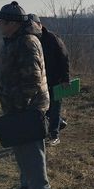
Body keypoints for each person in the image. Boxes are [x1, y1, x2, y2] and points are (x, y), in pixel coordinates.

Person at [0, 2, 51, 189]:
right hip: (17, 107)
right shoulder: (13, 40)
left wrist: (19, 104)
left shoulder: (26, 42)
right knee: (22, 148)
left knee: (32, 151)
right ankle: (27, 186)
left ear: (12, 23)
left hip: (27, 107)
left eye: (1, 21)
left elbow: (32, 79)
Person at [29, 14, 70, 146]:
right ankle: (58, 122)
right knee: (43, 108)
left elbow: (64, 58)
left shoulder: (52, 39)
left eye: (33, 25)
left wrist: (65, 78)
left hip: (55, 79)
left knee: (55, 106)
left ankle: (54, 135)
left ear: (40, 25)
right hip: (40, 81)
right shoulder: (30, 40)